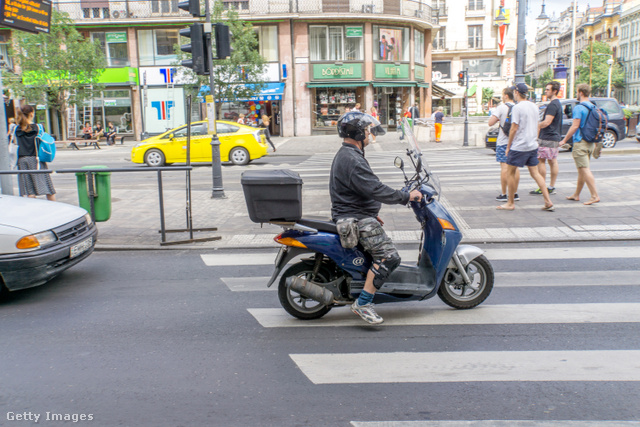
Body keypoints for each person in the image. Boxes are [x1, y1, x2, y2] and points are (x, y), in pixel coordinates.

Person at [330, 112, 423, 324]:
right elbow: (375, 188)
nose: (369, 134)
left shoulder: (349, 154)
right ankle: (363, 302)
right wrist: (406, 196)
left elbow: (361, 189)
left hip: (356, 213)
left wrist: (372, 212)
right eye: (366, 131)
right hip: (355, 218)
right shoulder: (352, 158)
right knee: (389, 257)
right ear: (357, 133)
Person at [497, 83, 554, 212]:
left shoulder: (517, 108)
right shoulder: (534, 106)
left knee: (510, 172)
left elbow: (514, 128)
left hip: (519, 146)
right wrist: (535, 139)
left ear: (517, 93)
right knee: (535, 173)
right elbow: (537, 125)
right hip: (532, 145)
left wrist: (509, 146)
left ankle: (510, 202)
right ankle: (548, 201)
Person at [559, 83, 600, 205]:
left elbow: (575, 126)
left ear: (581, 93)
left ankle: (594, 195)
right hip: (590, 142)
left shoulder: (579, 108)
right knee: (581, 170)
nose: (577, 94)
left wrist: (564, 140)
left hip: (580, 142)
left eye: (577, 92)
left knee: (584, 169)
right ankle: (576, 194)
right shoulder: (593, 107)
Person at [14, 104, 56, 201]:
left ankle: (33, 212)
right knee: (48, 188)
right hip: (36, 159)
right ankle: (55, 210)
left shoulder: (17, 129)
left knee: (30, 191)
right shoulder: (38, 127)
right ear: (31, 114)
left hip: (22, 160)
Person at [531, 81, 563, 196]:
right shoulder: (557, 104)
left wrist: (538, 126)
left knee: (541, 160)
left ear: (554, 91)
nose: (546, 91)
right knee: (553, 161)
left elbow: (547, 122)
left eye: (548, 90)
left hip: (547, 136)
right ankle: (551, 186)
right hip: (554, 137)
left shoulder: (552, 105)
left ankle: (542, 186)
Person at [488, 87, 519, 202]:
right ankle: (515, 193)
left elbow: (490, 122)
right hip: (516, 142)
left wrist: (497, 119)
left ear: (506, 95)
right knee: (515, 168)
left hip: (503, 141)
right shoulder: (517, 107)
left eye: (502, 94)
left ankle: (504, 193)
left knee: (504, 168)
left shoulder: (501, 107)